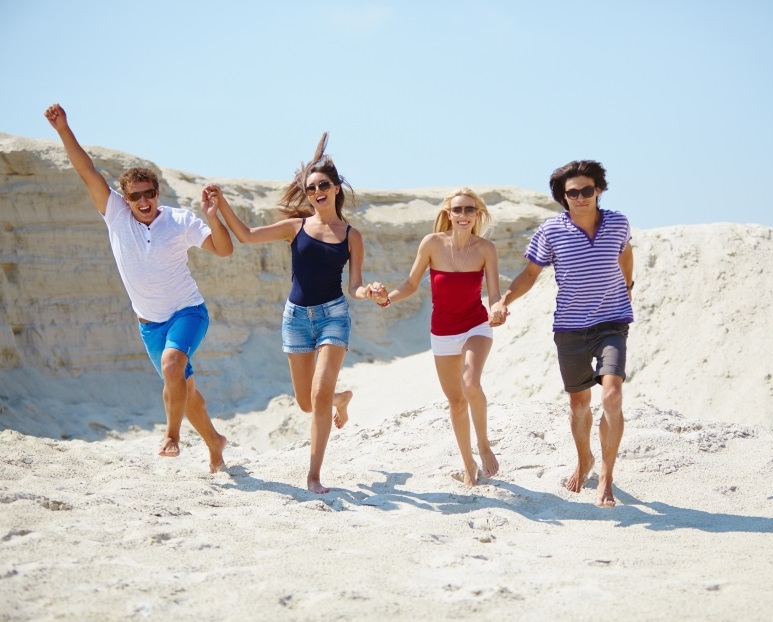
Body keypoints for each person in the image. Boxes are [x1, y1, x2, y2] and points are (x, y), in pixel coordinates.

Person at [43, 103, 232, 473]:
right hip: (149, 323)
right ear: (124, 198)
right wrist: (64, 129)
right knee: (185, 391)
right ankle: (215, 443)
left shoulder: (179, 220)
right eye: (135, 196)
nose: (144, 201)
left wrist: (212, 216)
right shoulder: (114, 214)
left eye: (149, 193)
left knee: (172, 364)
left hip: (187, 311)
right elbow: (86, 170)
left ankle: (172, 437)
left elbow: (224, 250)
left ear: (157, 192)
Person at [213, 133, 376, 494]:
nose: (316, 192)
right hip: (296, 319)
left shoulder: (352, 236)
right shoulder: (296, 227)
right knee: (307, 402)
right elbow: (247, 235)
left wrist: (370, 292)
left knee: (317, 396)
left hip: (334, 315)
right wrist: (222, 204)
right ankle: (339, 399)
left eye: (323, 185)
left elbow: (355, 286)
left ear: (336, 188)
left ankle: (314, 475)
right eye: (310, 188)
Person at [492, 161, 633, 507]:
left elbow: (625, 254)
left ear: (598, 190)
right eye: (573, 192)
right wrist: (504, 300)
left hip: (612, 322)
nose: (581, 197)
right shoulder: (550, 231)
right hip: (569, 327)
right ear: (563, 197)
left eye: (588, 190)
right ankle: (584, 458)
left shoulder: (617, 223)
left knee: (612, 395)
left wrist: (628, 288)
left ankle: (606, 479)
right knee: (579, 403)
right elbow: (529, 274)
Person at [371, 188, 506, 486]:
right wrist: (387, 299)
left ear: (477, 214)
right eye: (457, 210)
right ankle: (468, 466)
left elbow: (494, 294)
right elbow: (410, 283)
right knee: (456, 402)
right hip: (443, 331)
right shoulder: (432, 243)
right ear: (448, 213)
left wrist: (498, 308)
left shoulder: (486, 249)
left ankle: (483, 445)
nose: (463, 215)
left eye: (469, 210)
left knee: (471, 383)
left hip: (476, 325)